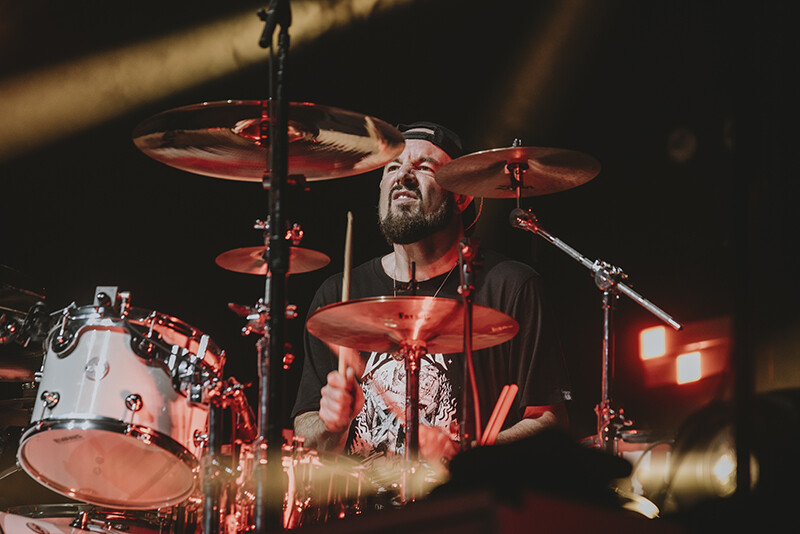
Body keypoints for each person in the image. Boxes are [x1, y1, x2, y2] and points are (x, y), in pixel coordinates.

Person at [292, 121, 571, 469]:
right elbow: (306, 434)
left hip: (462, 512)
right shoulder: (338, 294)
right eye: (393, 167)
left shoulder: (510, 286)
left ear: (462, 196)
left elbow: (549, 422)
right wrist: (333, 425)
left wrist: (467, 458)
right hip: (361, 511)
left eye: (424, 167)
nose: (404, 174)